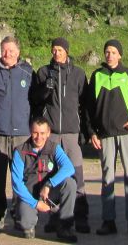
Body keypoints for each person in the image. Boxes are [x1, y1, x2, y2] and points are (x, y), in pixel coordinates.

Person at [83, 39, 128, 237]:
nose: (109, 55)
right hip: (105, 135)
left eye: (113, 52)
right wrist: (91, 132)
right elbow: (88, 108)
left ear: (120, 55)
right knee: (107, 178)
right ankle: (108, 221)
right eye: (107, 52)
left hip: (127, 133)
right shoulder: (97, 75)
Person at [30, 36, 90, 233]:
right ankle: (54, 218)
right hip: (52, 133)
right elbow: (35, 101)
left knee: (77, 175)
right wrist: (45, 90)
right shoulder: (43, 72)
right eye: (54, 50)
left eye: (60, 50)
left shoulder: (79, 74)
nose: (57, 53)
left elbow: (85, 105)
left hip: (72, 133)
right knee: (52, 175)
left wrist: (85, 131)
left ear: (67, 51)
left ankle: (80, 217)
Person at [0, 35, 33, 231]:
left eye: (11, 50)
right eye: (4, 50)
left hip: (22, 134)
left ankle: (20, 216)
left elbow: (34, 98)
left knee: (20, 178)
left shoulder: (27, 72)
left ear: (18, 52)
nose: (7, 54)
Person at [11, 117, 78, 242]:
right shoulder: (20, 151)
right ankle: (25, 219)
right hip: (30, 195)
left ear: (48, 133)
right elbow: (16, 184)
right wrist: (36, 204)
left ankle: (64, 226)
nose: (38, 137)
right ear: (30, 131)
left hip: (48, 193)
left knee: (70, 183)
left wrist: (49, 184)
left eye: (42, 133)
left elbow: (69, 168)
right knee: (26, 227)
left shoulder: (54, 148)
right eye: (35, 133)